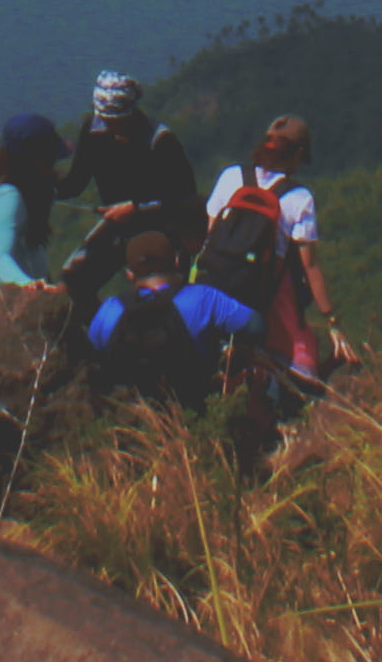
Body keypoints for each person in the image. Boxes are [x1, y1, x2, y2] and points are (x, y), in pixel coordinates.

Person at [193, 116, 357, 398]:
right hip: (265, 292)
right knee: (303, 377)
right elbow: (310, 266)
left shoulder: (231, 176)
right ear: (298, 155)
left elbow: (209, 236)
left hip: (211, 285)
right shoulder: (299, 198)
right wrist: (332, 321)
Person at [52, 70, 200, 311]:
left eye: (118, 121)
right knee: (72, 283)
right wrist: (44, 189)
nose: (112, 127)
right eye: (107, 120)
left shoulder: (159, 140)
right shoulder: (93, 131)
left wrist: (136, 209)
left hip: (161, 229)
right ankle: (100, 337)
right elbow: (76, 181)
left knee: (164, 300)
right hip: (119, 226)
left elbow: (185, 199)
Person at [81, 225, 262, 410]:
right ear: (176, 262)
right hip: (198, 411)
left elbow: (92, 357)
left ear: (130, 274)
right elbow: (256, 326)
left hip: (133, 417)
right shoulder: (202, 298)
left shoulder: (110, 310)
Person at [0, 113, 66, 289]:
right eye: (50, 158)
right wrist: (29, 285)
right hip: (6, 303)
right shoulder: (7, 197)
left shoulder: (7, 189)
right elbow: (0, 257)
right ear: (34, 160)